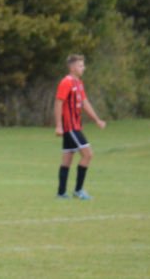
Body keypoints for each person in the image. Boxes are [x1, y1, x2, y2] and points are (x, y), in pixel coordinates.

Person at [55, 54, 107, 200]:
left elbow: (84, 102)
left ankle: (61, 193)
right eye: (80, 65)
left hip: (76, 126)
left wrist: (97, 119)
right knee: (88, 154)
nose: (83, 68)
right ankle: (78, 190)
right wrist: (59, 125)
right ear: (72, 67)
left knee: (67, 159)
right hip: (70, 127)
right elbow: (58, 103)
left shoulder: (79, 83)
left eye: (83, 65)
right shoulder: (66, 82)